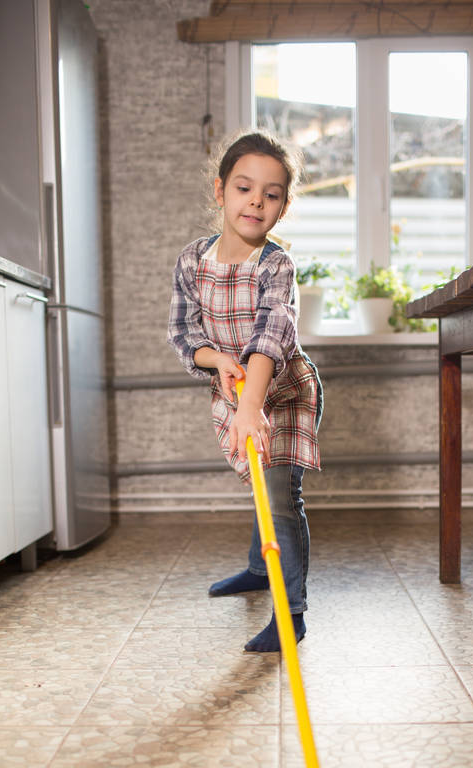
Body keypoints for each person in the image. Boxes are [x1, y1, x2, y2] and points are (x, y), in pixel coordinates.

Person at [167, 131, 322, 653]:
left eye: (272, 193)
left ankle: (290, 613)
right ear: (220, 191)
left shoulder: (276, 265)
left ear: (283, 206)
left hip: (282, 391)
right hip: (237, 386)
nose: (256, 201)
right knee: (261, 487)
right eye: (244, 187)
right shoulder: (192, 261)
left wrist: (251, 406)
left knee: (280, 497)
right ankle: (261, 569)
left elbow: (271, 336)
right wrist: (217, 359)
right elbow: (185, 334)